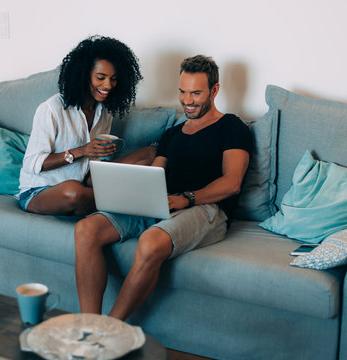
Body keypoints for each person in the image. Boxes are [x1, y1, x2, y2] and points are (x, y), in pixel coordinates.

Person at [74, 55, 252, 320]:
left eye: (195, 93)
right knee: (86, 229)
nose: (187, 100)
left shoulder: (231, 127)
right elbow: (156, 172)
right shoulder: (173, 133)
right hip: (161, 202)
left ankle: (110, 330)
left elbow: (232, 183)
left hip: (205, 208)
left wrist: (187, 199)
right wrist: (128, 187)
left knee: (150, 242)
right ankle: (89, 325)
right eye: (182, 91)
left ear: (214, 91)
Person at [18, 36, 151, 216]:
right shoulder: (52, 109)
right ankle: (125, 199)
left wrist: (102, 159)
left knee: (149, 153)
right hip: (39, 191)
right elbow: (32, 163)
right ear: (83, 74)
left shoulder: (105, 112)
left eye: (113, 79)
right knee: (73, 192)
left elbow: (91, 163)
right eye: (100, 77)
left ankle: (115, 198)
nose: (108, 85)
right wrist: (81, 151)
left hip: (83, 183)